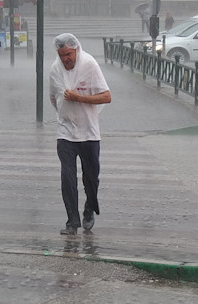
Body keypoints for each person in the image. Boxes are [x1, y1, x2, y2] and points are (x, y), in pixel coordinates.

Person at [49, 33, 112, 235]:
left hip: (89, 132)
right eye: (61, 55)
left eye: (68, 54)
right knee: (67, 178)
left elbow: (107, 97)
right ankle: (72, 222)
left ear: (76, 50)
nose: (65, 59)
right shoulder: (55, 69)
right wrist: (65, 114)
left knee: (91, 178)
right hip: (65, 131)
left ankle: (89, 208)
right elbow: (53, 97)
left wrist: (78, 98)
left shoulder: (89, 65)